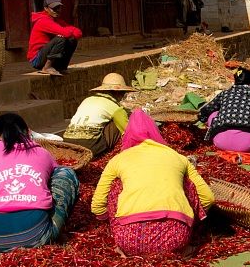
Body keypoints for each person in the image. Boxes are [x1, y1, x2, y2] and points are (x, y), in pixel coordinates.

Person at [91, 109, 215, 256]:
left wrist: (113, 221)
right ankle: (183, 249)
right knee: (187, 184)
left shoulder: (118, 160)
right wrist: (191, 220)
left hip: (129, 240)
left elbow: (97, 207)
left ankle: (125, 249)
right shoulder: (178, 157)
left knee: (116, 186)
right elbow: (208, 198)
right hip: (176, 237)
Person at [0, 113, 79, 253]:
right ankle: (53, 228)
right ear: (28, 131)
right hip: (36, 236)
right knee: (65, 173)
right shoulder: (42, 152)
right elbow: (53, 182)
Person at [63, 73, 133, 157]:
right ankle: (105, 153)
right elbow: (128, 130)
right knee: (116, 123)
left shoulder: (86, 100)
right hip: (91, 145)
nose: (122, 97)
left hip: (68, 143)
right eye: (123, 93)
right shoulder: (115, 106)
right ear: (117, 93)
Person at [28, 0, 82, 76]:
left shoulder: (57, 20)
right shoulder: (43, 21)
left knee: (72, 40)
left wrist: (67, 32)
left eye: (59, 8)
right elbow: (66, 33)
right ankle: (47, 67)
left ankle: (61, 67)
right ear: (46, 9)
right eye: (54, 8)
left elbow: (78, 32)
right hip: (37, 59)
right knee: (61, 39)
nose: (57, 10)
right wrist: (67, 32)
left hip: (46, 55)